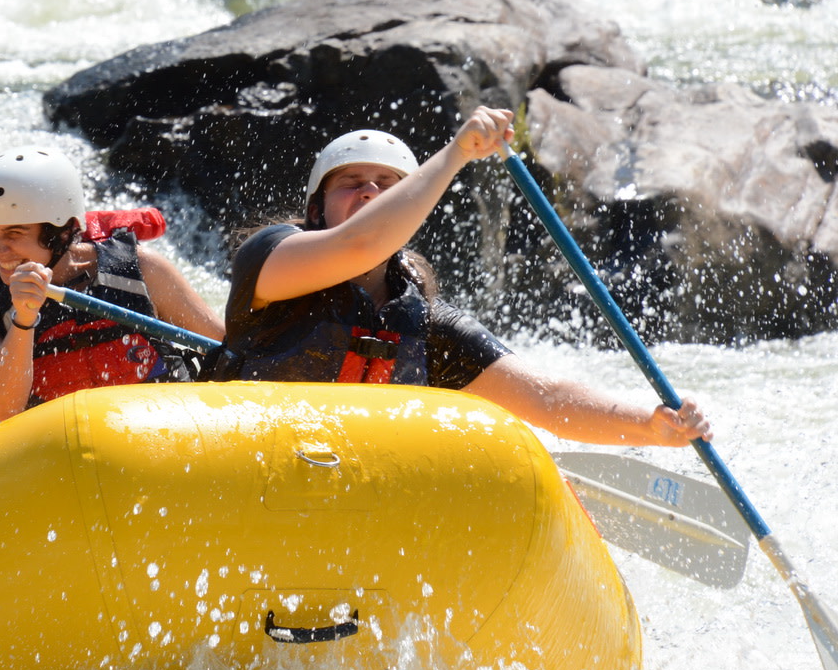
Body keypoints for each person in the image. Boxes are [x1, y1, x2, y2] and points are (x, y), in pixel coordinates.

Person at [202, 111, 712, 447]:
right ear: (315, 210)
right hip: (246, 461)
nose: (370, 193)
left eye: (387, 186)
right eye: (351, 184)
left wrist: (649, 425)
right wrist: (455, 155)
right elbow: (361, 243)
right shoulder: (268, 259)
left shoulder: (425, 326)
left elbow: (546, 398)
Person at [0, 147, 224, 420]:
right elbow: (4, 409)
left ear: (60, 233)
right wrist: (24, 319)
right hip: (64, 448)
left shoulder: (142, 269)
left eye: (14, 233)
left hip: (163, 428)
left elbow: (226, 349)